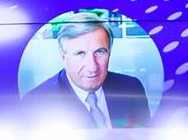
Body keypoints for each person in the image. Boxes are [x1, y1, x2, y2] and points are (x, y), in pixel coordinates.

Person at [20, 11, 152, 129]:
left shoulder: (132, 88)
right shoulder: (36, 103)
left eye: (100, 52)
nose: (92, 67)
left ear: (110, 53)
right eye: (80, 54)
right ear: (62, 55)